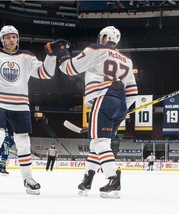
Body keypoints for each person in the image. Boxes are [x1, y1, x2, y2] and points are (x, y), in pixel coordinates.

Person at [0, 25, 68, 196]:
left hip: (20, 103)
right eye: (8, 37)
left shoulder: (27, 56)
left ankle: (28, 179)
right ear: (2, 39)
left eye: (14, 37)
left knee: (24, 142)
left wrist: (50, 55)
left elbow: (46, 73)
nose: (12, 40)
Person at [58, 26, 138, 198]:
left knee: (100, 142)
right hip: (120, 102)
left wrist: (63, 53)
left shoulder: (96, 49)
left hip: (103, 98)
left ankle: (113, 178)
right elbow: (132, 92)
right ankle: (88, 179)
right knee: (97, 144)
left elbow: (68, 69)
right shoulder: (127, 61)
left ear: (103, 37)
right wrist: (122, 111)